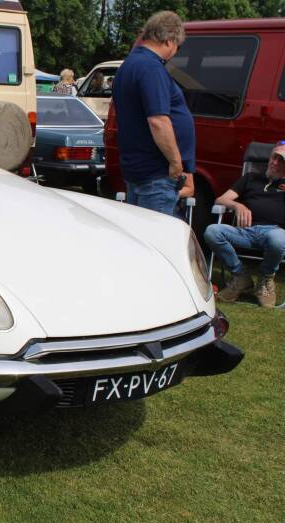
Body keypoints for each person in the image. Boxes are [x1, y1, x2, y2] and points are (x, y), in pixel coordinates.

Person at [112, 11, 193, 216]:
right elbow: (158, 121)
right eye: (177, 46)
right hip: (155, 173)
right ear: (169, 40)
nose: (175, 52)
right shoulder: (151, 68)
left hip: (139, 168)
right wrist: (176, 162)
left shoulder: (129, 64)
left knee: (139, 229)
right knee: (155, 231)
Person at [204, 143, 285, 308]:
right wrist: (237, 205)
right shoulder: (250, 178)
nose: (274, 162)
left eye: (281, 160)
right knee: (212, 231)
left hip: (274, 232)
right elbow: (220, 200)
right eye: (273, 157)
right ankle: (240, 276)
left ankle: (266, 279)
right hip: (245, 231)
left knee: (278, 239)